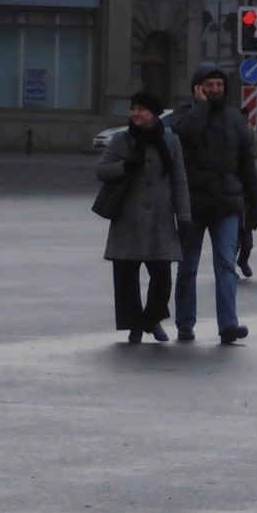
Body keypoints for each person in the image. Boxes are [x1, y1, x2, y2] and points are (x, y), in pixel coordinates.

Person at [170, 63, 257, 345]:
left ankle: (228, 324)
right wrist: (200, 107)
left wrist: (255, 202)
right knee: (188, 267)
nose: (215, 89)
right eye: (209, 85)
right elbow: (188, 135)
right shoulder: (184, 116)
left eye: (219, 85)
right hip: (193, 206)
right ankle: (185, 323)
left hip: (227, 204)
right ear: (198, 88)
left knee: (225, 264)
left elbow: (247, 164)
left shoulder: (235, 119)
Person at [97, 91, 191, 344]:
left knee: (162, 277)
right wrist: (125, 165)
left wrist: (184, 217)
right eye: (134, 108)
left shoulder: (170, 141)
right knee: (126, 278)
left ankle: (152, 318)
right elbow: (101, 170)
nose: (136, 113)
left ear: (154, 114)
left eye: (142, 109)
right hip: (127, 218)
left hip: (160, 218)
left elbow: (179, 180)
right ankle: (134, 326)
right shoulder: (121, 139)